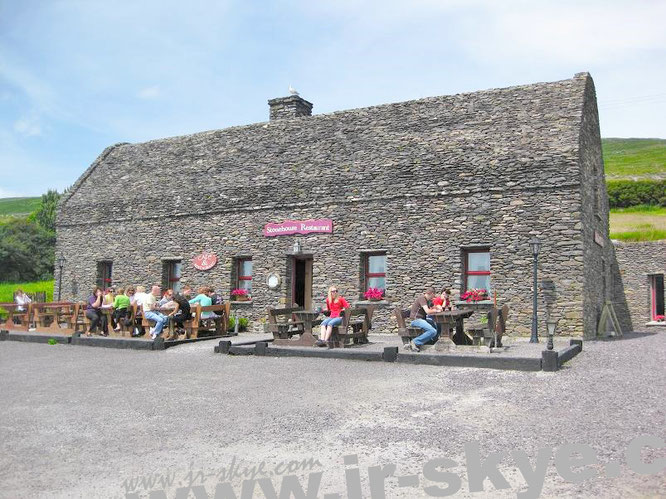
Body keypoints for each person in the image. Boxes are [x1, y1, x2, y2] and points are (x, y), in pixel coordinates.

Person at [404, 287, 439, 352]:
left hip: (422, 320)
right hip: (416, 320)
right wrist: (435, 310)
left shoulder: (428, 300)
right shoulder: (422, 298)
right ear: (431, 293)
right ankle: (415, 342)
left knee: (437, 324)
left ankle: (431, 342)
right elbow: (427, 311)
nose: (433, 298)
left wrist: (437, 307)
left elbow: (435, 306)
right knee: (432, 331)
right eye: (433, 296)